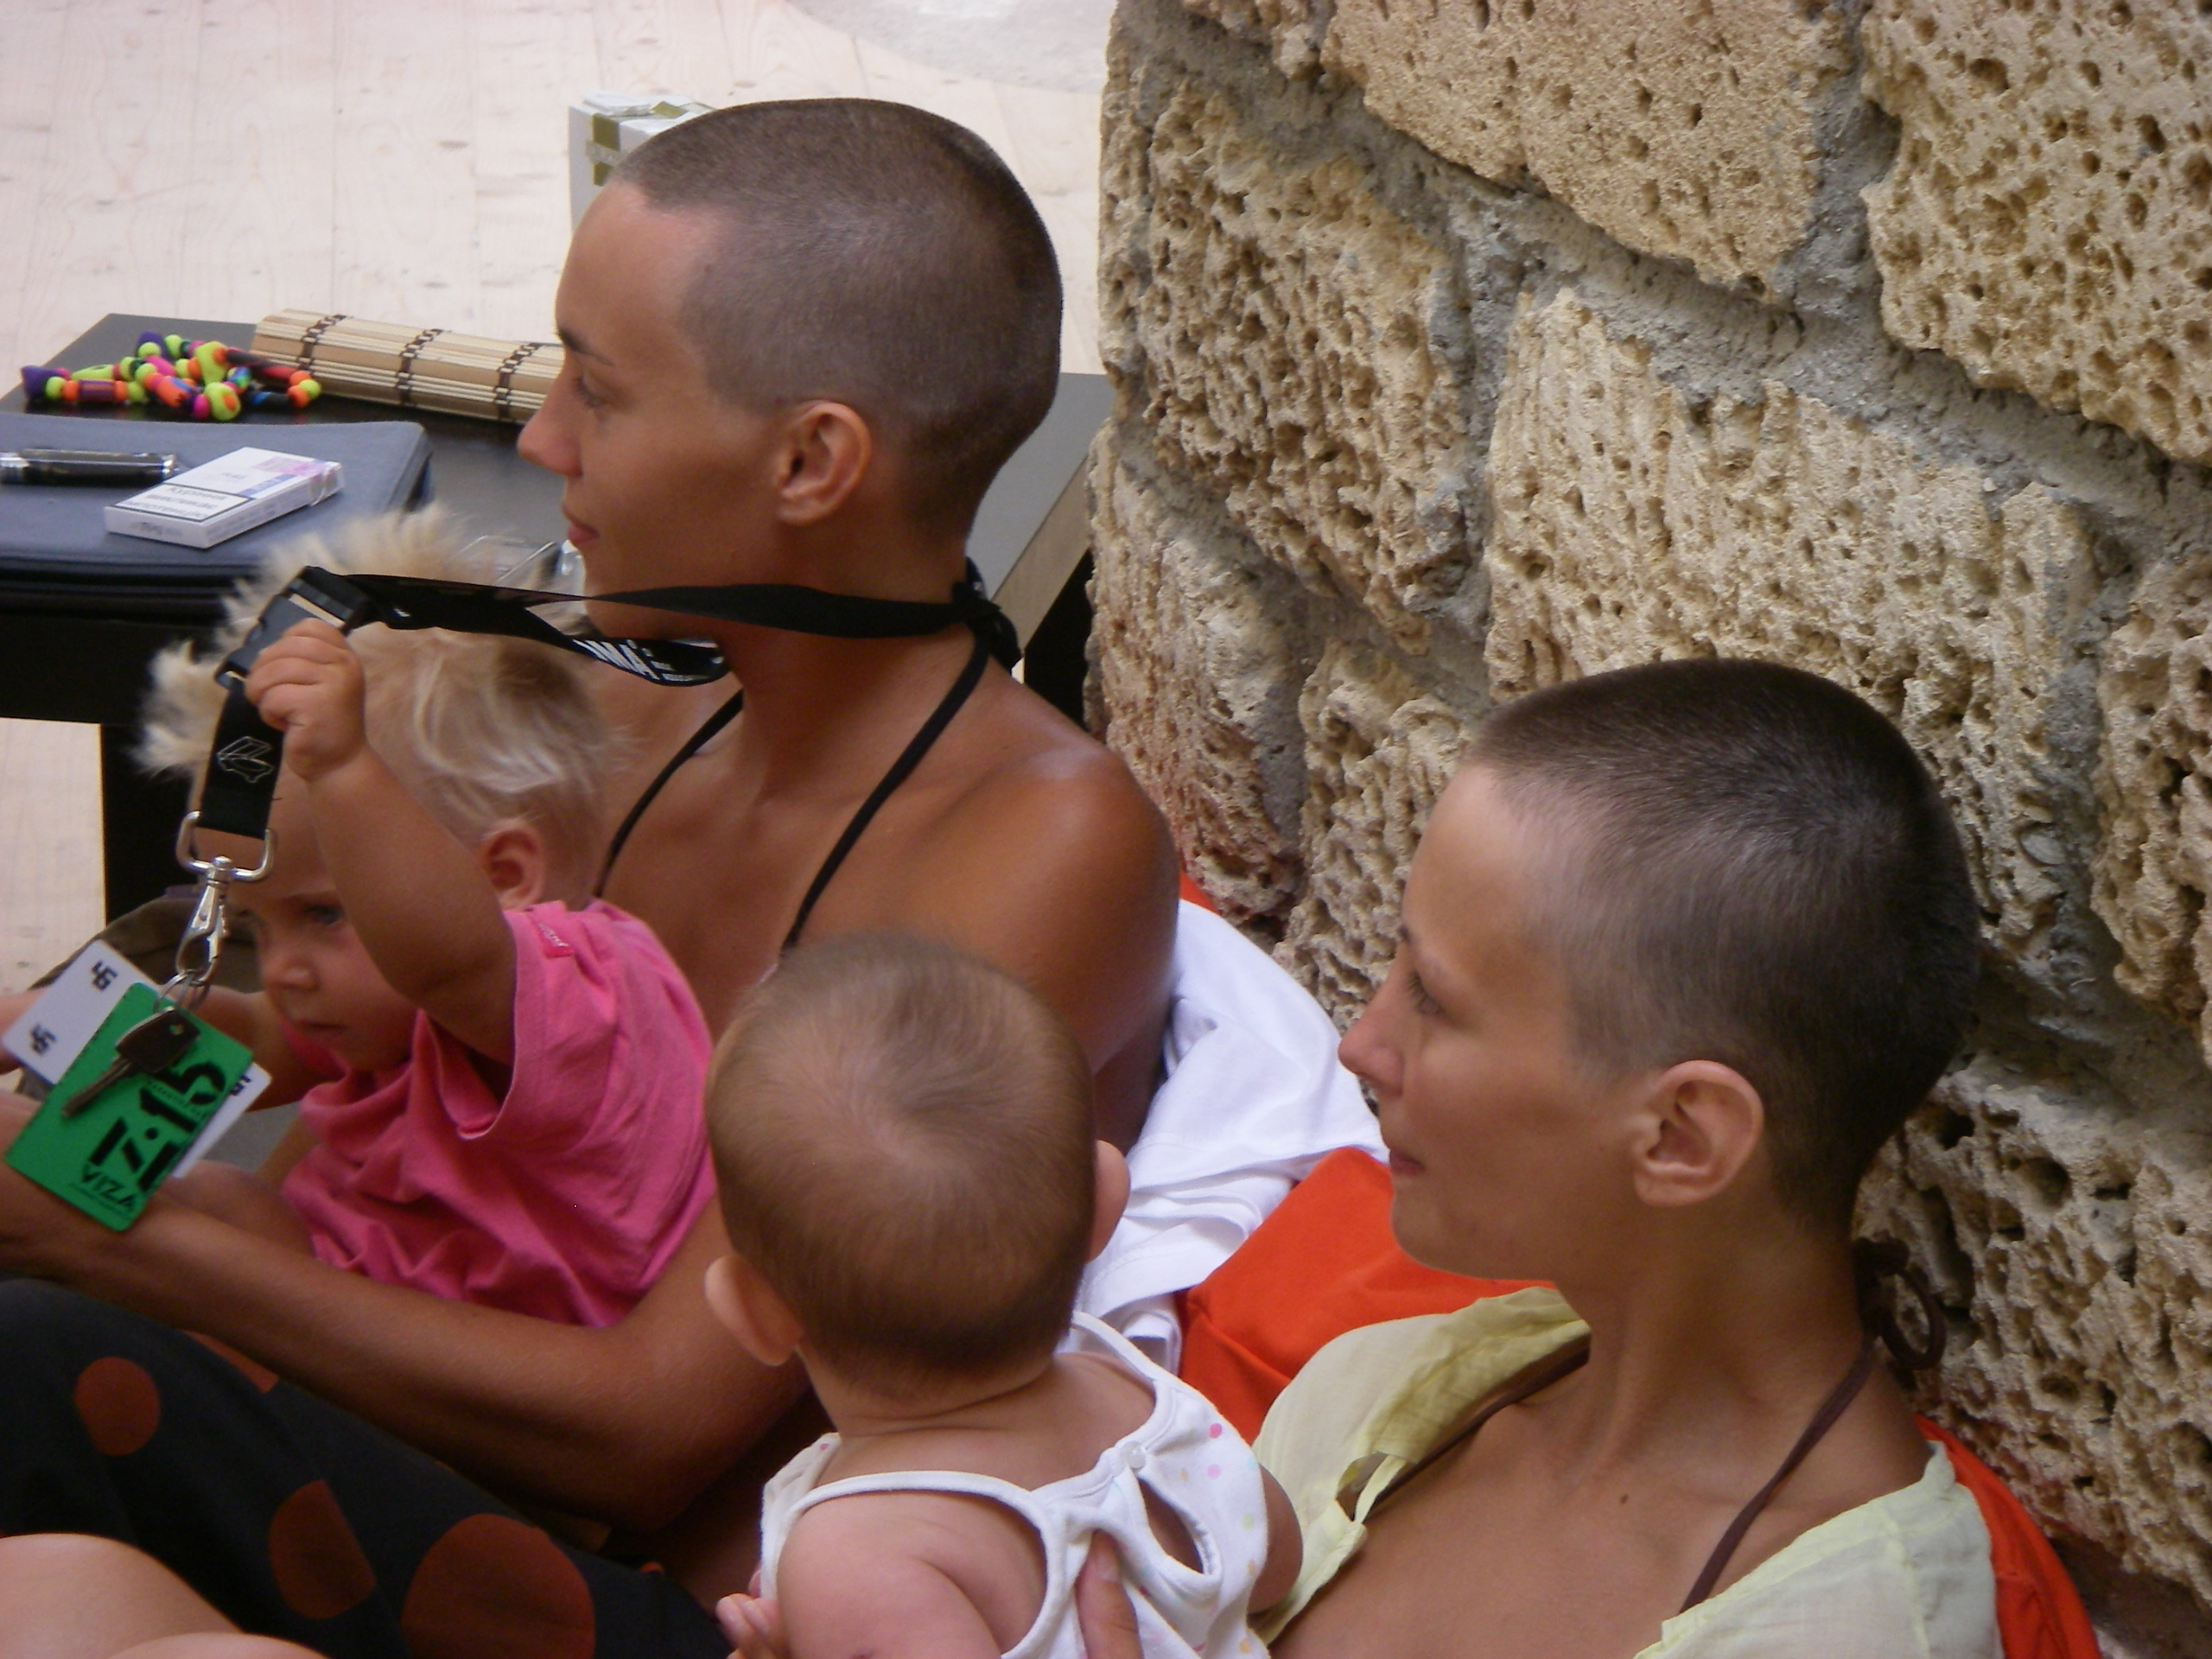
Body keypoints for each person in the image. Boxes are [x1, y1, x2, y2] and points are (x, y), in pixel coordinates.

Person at [0, 99, 1372, 1657]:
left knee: (36, 1359)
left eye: (598, 386)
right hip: (436, 1438)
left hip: (716, 1606)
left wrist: (122, 1238)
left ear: (812, 459)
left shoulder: (1037, 840)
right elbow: (388, 1032)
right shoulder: (626, 699)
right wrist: (82, 1078)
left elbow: (652, 1425)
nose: (542, 442)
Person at [702, 934, 1299, 1658]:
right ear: (1105, 1204)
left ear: (756, 1315)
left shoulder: (860, 1560)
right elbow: (1275, 1569)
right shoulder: (1144, 1403)